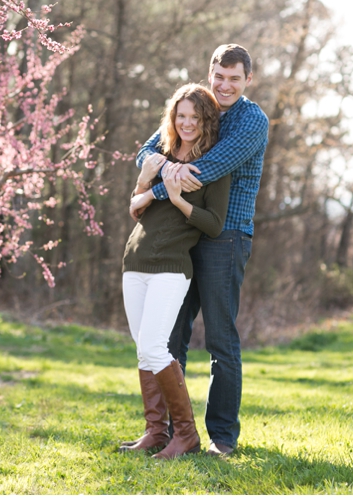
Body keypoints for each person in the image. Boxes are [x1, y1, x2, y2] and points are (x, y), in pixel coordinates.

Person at [130, 44, 269, 458]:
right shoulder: (201, 106)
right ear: (211, 74)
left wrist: (147, 194)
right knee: (170, 335)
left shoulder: (252, 120)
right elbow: (146, 150)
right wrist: (158, 167)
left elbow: (205, 170)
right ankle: (173, 432)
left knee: (221, 339)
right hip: (182, 234)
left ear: (247, 80)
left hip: (225, 236)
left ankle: (222, 438)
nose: (225, 86)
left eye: (234, 79)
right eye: (219, 77)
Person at [119, 84, 230, 460]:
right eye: (181, 116)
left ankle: (186, 435)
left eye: (195, 118)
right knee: (143, 352)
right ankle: (155, 432)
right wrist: (146, 186)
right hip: (135, 260)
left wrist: (180, 200)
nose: (187, 123)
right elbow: (134, 206)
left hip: (171, 266)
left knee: (155, 346)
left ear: (206, 122)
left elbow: (213, 225)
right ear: (172, 118)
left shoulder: (213, 166)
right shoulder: (159, 155)